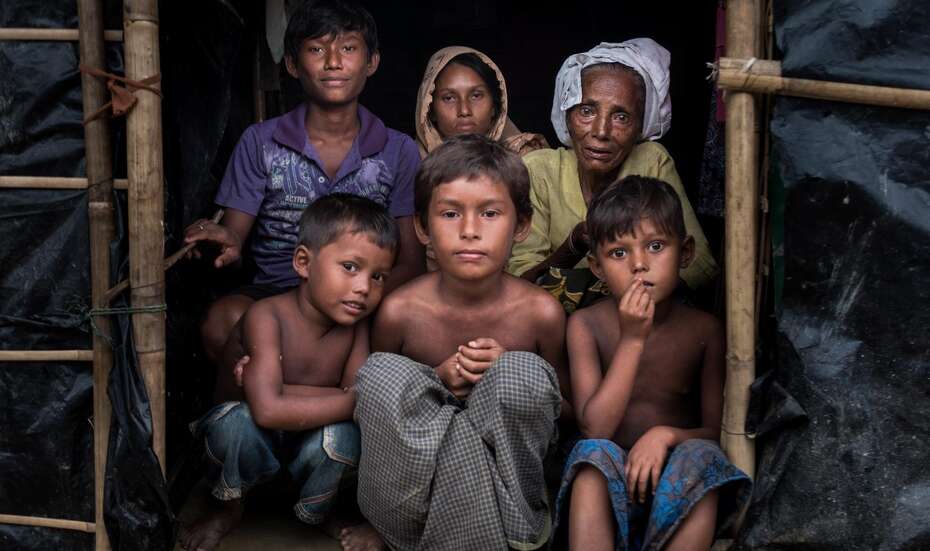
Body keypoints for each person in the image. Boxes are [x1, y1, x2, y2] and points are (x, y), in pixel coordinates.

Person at [340, 134, 567, 551]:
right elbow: (383, 418)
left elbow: (564, 411)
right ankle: (399, 526)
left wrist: (506, 376)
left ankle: (483, 533)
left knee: (524, 375)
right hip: (415, 492)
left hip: (508, 486)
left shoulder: (541, 314)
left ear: (521, 226)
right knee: (380, 376)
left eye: (490, 213)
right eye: (449, 214)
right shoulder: (400, 311)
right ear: (422, 227)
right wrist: (435, 380)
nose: (469, 231)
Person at [183, 0, 424, 393]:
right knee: (223, 322)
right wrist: (225, 240)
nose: (333, 62)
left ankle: (292, 400)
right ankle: (269, 410)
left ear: (372, 62)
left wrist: (361, 299)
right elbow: (235, 235)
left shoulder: (398, 150)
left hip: (361, 294)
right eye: (316, 49)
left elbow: (411, 261)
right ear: (293, 65)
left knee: (400, 326)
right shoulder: (260, 141)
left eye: (348, 48)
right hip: (277, 292)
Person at [180, 194, 399, 551]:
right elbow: (268, 411)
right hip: (250, 447)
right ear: (303, 262)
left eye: (378, 276)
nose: (364, 287)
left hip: (307, 446)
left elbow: (357, 405)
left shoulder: (356, 328)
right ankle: (228, 506)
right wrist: (348, 399)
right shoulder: (265, 316)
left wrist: (281, 390)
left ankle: (317, 511)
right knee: (236, 423)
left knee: (344, 437)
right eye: (350, 267)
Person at [553, 176, 750, 551]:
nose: (639, 265)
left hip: (678, 482)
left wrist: (666, 436)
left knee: (702, 455)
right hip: (611, 482)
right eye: (618, 253)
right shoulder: (586, 326)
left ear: (685, 253)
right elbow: (595, 429)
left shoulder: (705, 330)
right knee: (591, 458)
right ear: (596, 266)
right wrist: (632, 340)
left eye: (656, 246)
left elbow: (718, 431)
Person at [507, 39, 717, 313]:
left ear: (641, 125)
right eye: (586, 111)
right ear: (567, 115)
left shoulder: (650, 159)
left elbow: (699, 267)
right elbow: (518, 284)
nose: (601, 131)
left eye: (621, 117)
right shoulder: (539, 169)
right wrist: (574, 245)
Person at [415, 45, 548, 158]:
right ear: (430, 110)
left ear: (495, 106)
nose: (464, 111)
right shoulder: (409, 165)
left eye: (476, 96)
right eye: (449, 98)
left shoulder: (527, 162)